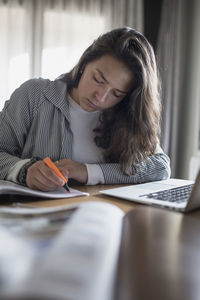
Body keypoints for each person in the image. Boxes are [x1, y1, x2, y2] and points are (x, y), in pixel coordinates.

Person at [0, 27, 170, 192]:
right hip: (34, 214)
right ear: (84, 64)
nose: (101, 97)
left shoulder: (127, 115)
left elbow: (161, 166)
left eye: (116, 93)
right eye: (98, 79)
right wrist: (23, 171)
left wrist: (87, 172)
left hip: (101, 214)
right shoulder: (35, 95)